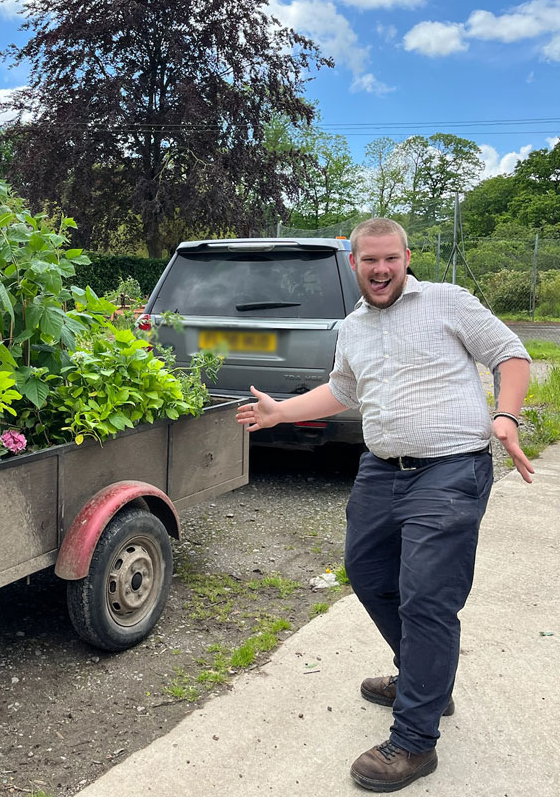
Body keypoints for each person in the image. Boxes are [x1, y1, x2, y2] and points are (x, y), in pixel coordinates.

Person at [236, 218, 532, 792]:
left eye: (390, 259)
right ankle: (428, 678)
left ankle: (416, 741)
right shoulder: (353, 327)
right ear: (353, 263)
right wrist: (281, 412)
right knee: (369, 575)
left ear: (406, 256)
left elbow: (511, 355)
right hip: (380, 468)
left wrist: (506, 415)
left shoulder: (448, 302)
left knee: (426, 598)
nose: (380, 269)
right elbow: (344, 389)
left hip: (450, 470)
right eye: (369, 260)